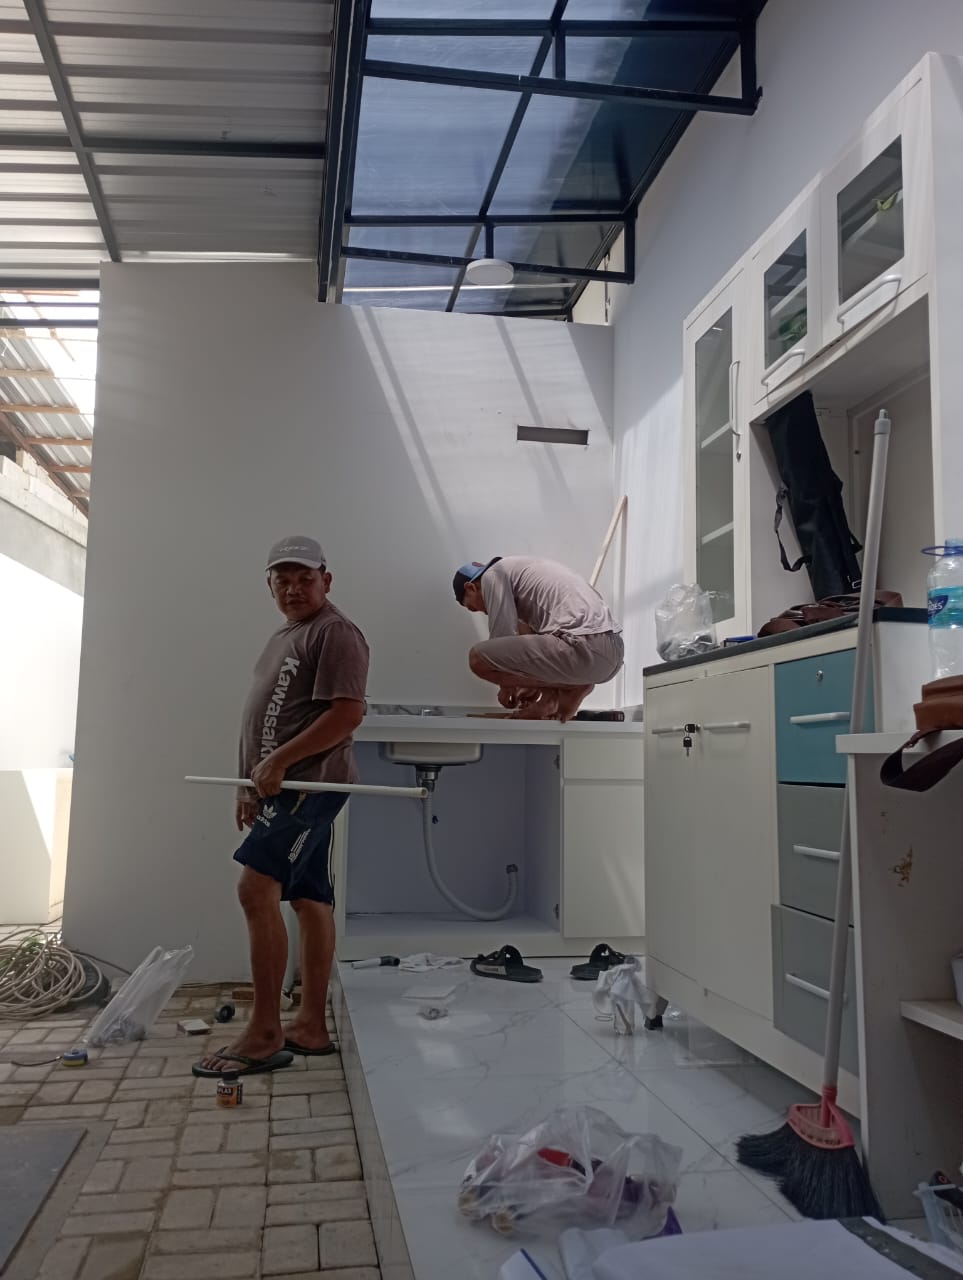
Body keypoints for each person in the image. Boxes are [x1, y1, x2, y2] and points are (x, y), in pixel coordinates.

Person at [196, 536, 369, 1078]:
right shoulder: (286, 634)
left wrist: (279, 763)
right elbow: (263, 716)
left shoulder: (335, 632)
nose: (293, 589)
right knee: (309, 898)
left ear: (326, 580)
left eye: (305, 579)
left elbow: (347, 714)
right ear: (269, 585)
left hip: (308, 786)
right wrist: (247, 784)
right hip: (281, 786)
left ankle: (266, 1032)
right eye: (283, 580)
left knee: (255, 889)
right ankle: (310, 1025)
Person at [453, 556, 623, 722]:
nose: (484, 612)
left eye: (473, 608)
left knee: (478, 659)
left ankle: (572, 687)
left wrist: (506, 686)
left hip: (584, 645)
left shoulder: (493, 575)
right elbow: (530, 644)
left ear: (471, 587)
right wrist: (531, 686)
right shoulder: (521, 573)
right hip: (612, 654)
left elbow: (502, 635)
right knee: (523, 632)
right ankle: (550, 700)